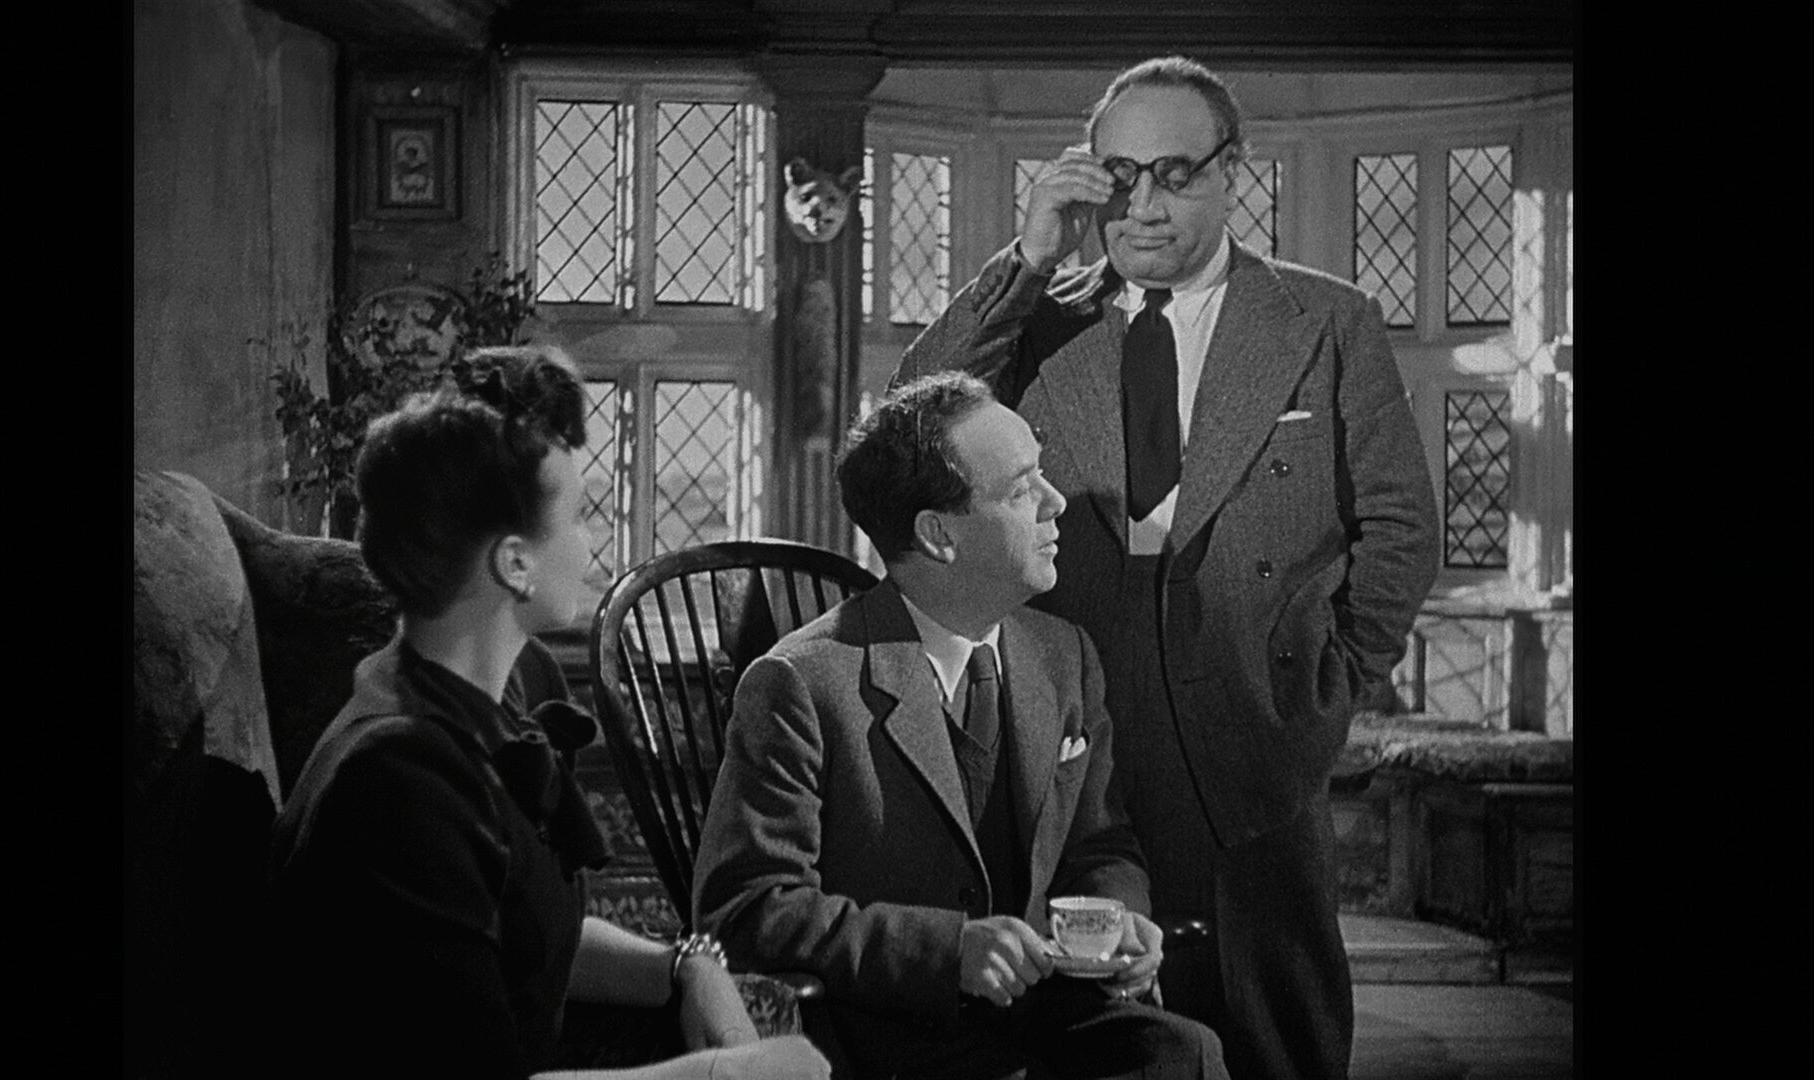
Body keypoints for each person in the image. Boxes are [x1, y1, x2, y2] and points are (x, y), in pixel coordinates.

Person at [894, 56, 1441, 1080]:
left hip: (1255, 708)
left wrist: (1328, 684)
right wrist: (1028, 256)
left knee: (1273, 1025)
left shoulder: (1327, 321)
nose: (1141, 205)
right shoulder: (1038, 319)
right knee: (1096, 1030)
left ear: (1234, 170)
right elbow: (909, 432)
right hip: (1071, 707)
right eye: (1118, 175)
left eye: (1174, 174)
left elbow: (1402, 529)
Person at [264, 345, 831, 1080]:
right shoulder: (397, 782)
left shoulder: (500, 690)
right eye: (580, 514)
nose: (590, 541)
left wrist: (684, 965)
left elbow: (520, 936)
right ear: (515, 563)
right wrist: (733, 1074)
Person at [691, 373, 1229, 1080]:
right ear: (938, 535)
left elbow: (1102, 844)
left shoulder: (1063, 655)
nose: (1056, 502)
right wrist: (947, 952)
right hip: (888, 1030)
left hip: (1042, 1008)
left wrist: (1115, 922)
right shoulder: (801, 684)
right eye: (1022, 489)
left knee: (1184, 1052)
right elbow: (747, 909)